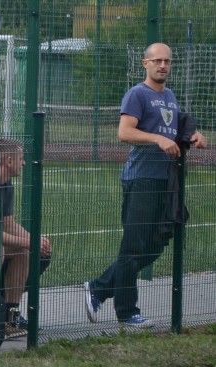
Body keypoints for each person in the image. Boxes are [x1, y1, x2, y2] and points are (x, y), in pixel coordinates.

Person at [84, 43, 206, 327]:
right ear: (145, 63)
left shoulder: (170, 96)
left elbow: (173, 129)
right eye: (157, 61)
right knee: (134, 246)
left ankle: (99, 288)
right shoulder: (138, 94)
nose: (163, 65)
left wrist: (194, 134)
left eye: (167, 61)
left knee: (154, 246)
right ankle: (127, 312)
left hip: (166, 181)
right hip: (141, 178)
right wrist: (158, 139)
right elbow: (124, 132)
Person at [0, 138, 52, 338]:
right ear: (9, 161)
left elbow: (8, 223)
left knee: (29, 252)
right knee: (1, 250)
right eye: (21, 158)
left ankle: (10, 317)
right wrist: (30, 242)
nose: (24, 163)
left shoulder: (7, 185)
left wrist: (36, 240)